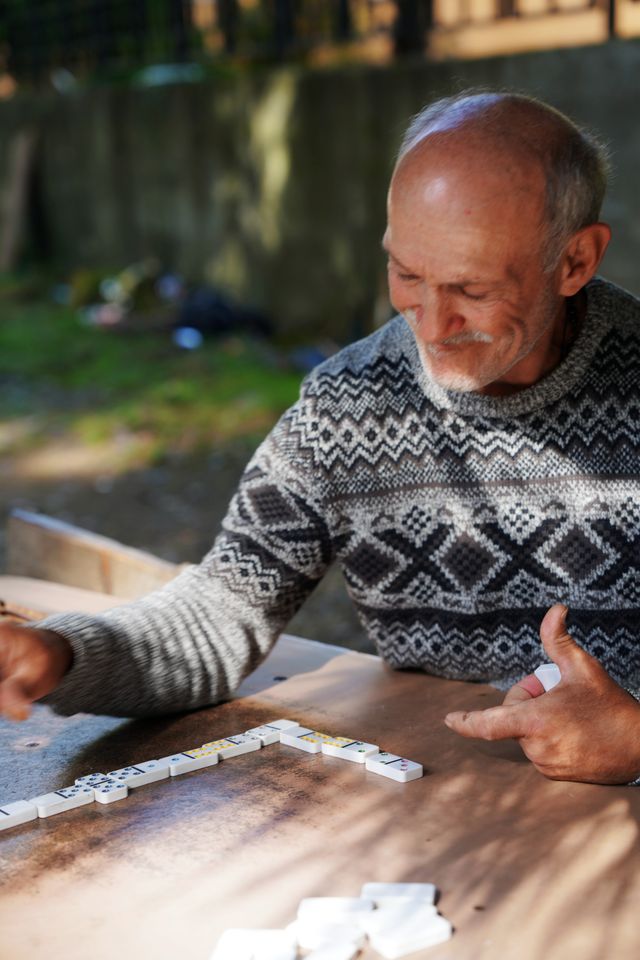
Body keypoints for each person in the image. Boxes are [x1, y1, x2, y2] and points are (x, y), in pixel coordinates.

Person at [2, 91, 640, 786]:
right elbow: (220, 613)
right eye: (406, 274)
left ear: (576, 261)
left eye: (473, 290)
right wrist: (60, 654)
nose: (430, 326)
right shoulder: (349, 406)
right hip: (443, 808)